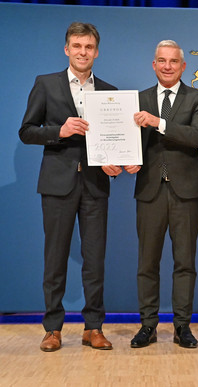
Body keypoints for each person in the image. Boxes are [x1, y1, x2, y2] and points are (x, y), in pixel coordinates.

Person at [19, 22, 121, 352]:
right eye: (77, 46)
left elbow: (115, 143)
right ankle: (52, 328)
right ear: (67, 49)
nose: (82, 52)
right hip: (57, 183)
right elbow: (27, 131)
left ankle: (93, 327)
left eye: (88, 47)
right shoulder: (45, 84)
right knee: (56, 258)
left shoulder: (109, 91)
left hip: (95, 185)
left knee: (95, 260)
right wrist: (59, 131)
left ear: (97, 51)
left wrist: (115, 164)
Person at [128, 40, 198, 349]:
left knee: (184, 262)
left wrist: (158, 122)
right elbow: (128, 140)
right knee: (146, 263)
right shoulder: (138, 99)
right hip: (149, 190)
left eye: (173, 61)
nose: (167, 66)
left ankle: (182, 327)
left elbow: (196, 137)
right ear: (153, 64)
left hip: (185, 192)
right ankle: (148, 325)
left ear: (183, 66)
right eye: (161, 60)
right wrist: (127, 158)